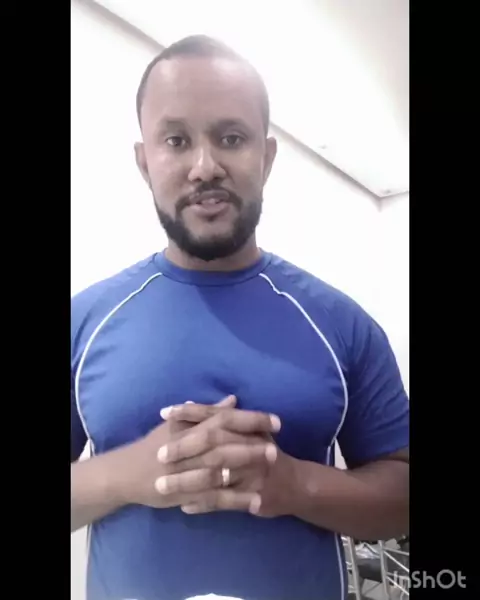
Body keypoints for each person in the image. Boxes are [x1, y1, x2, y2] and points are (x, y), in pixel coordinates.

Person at [71, 34, 409, 600]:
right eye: (176, 140)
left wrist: (294, 483)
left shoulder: (342, 325)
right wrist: (127, 473)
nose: (205, 167)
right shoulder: (85, 320)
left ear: (267, 158)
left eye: (231, 138)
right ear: (144, 162)